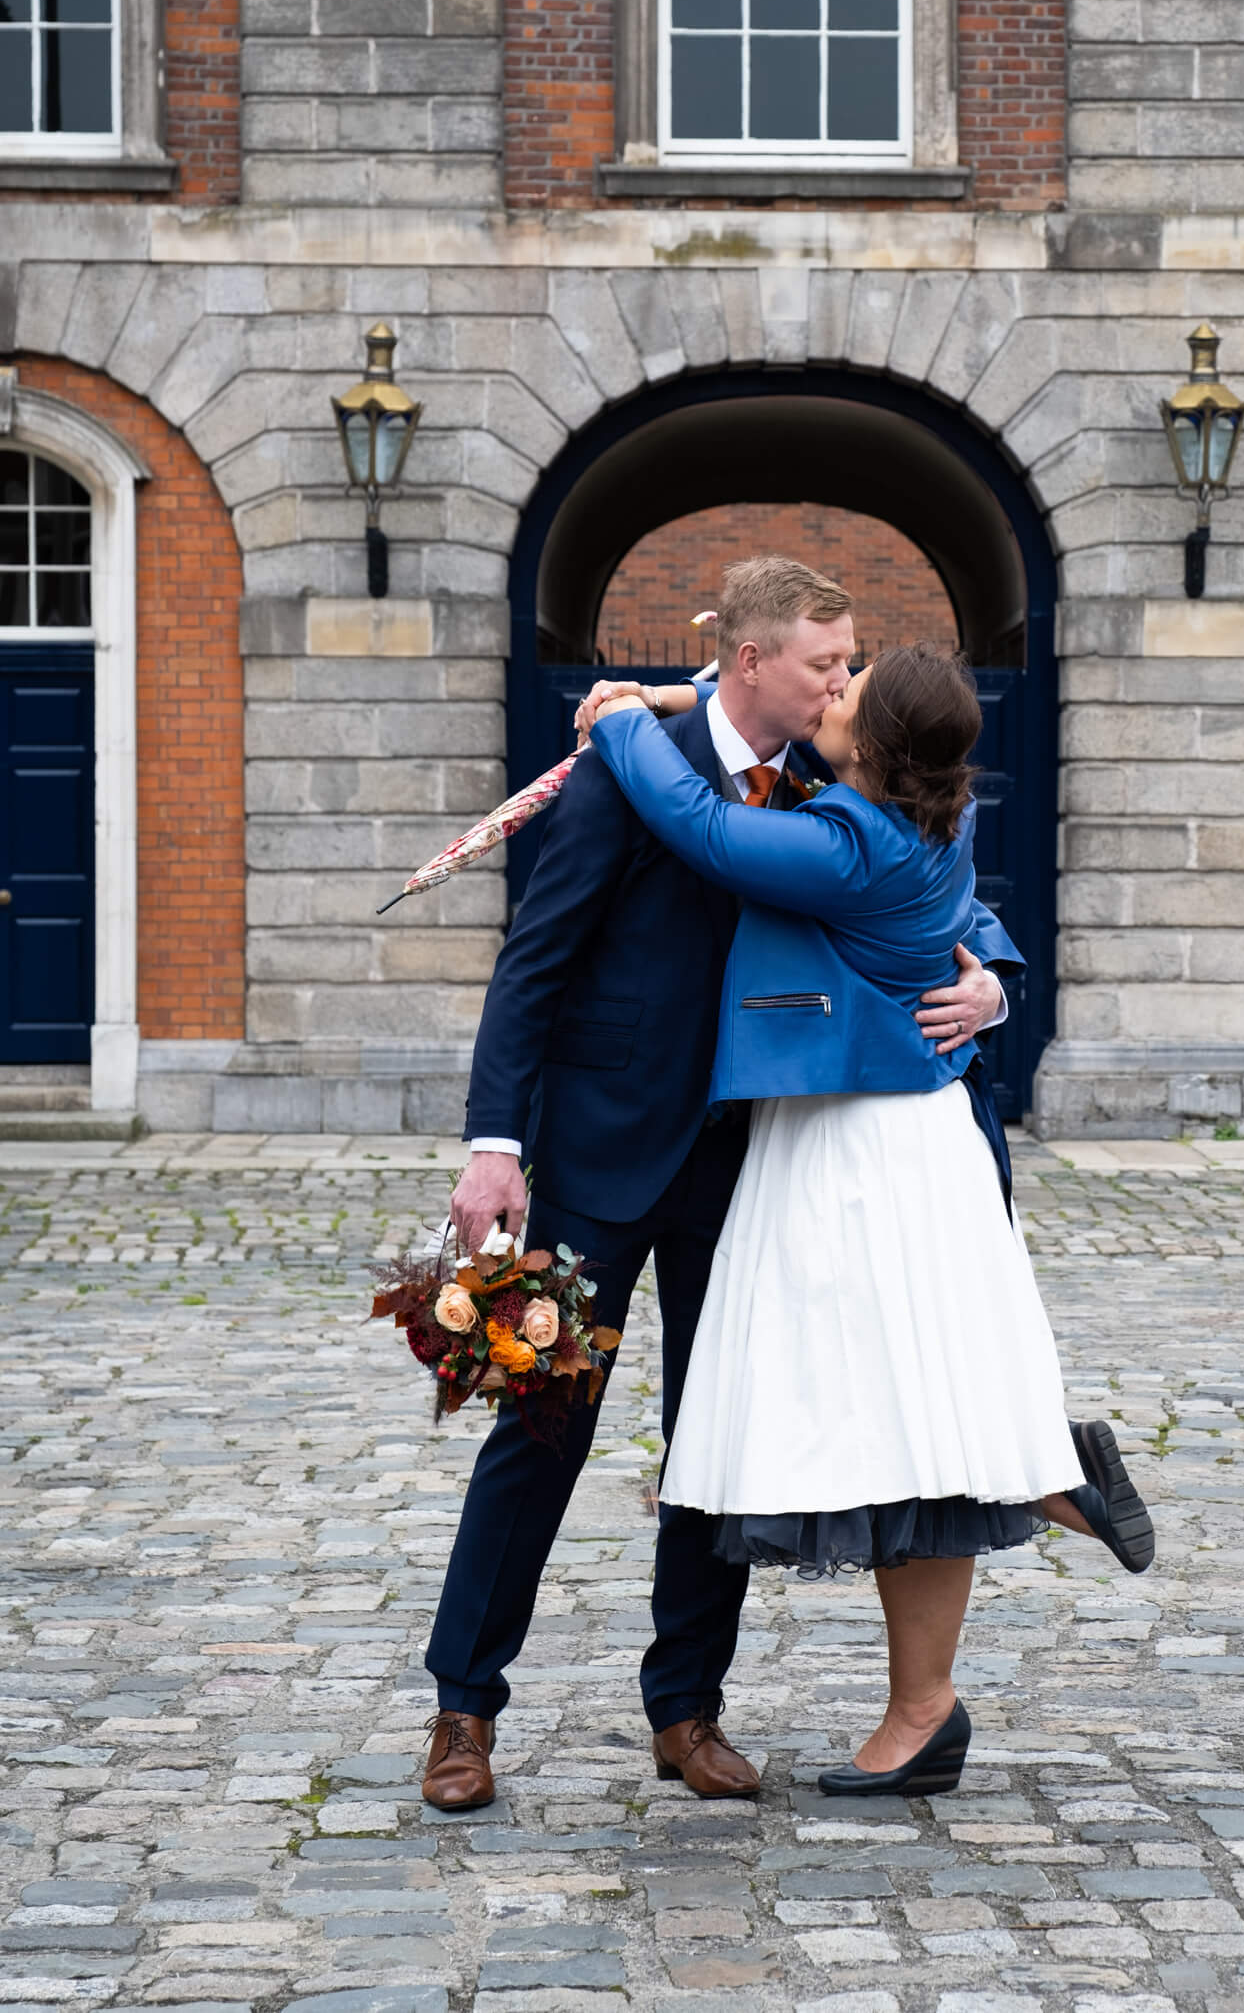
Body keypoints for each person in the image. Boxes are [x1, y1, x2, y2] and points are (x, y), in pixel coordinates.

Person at [419, 558, 1017, 1812]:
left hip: (749, 1162)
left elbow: (943, 882)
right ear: (751, 663)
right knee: (538, 1434)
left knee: (713, 1446)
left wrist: (992, 980)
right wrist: (493, 1141)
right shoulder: (624, 770)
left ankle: (686, 1713)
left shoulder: (833, 772)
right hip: (593, 1157)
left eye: (849, 664)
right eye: (824, 662)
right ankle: (462, 1711)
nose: (843, 680)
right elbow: (534, 959)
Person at [584, 644, 1154, 1798]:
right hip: (909, 1133)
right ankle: (1020, 1517)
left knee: (879, 1398)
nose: (825, 696)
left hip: (860, 1145)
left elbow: (699, 825)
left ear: (881, 749)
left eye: (844, 693)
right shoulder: (937, 823)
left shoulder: (848, 844)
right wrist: (677, 694)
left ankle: (1032, 1480)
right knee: (914, 1402)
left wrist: (614, 719)